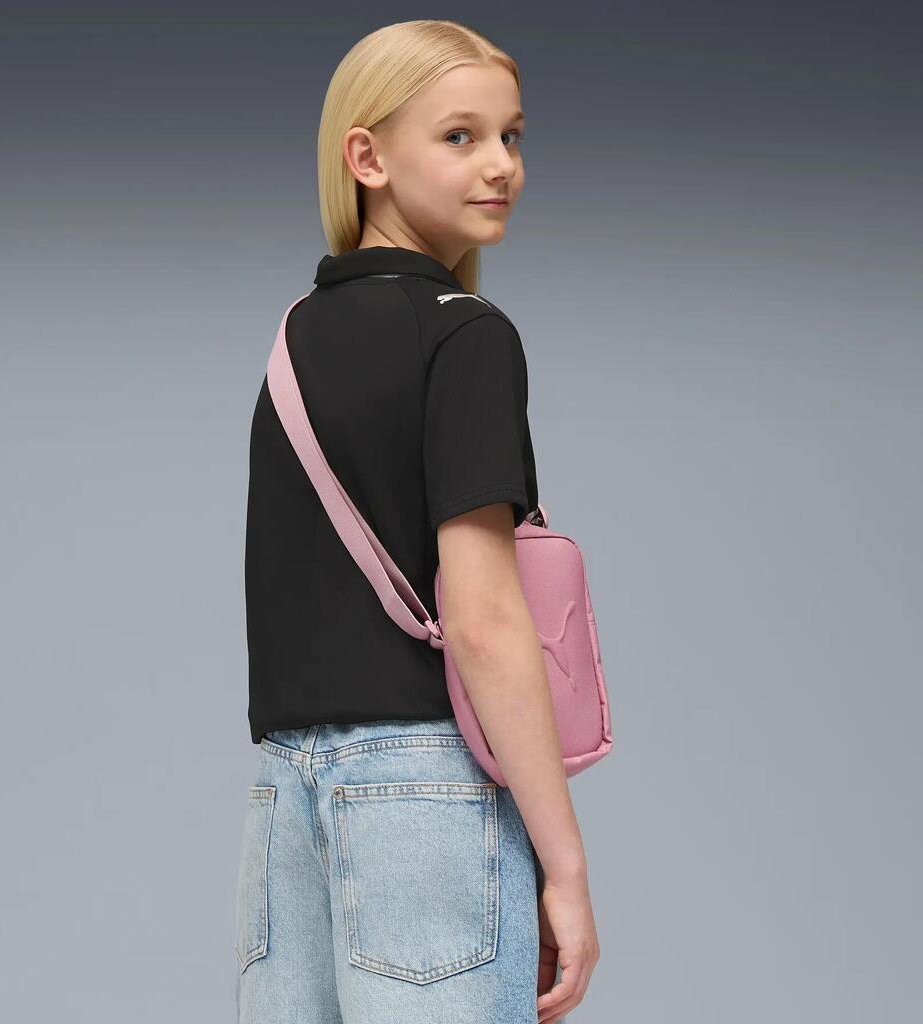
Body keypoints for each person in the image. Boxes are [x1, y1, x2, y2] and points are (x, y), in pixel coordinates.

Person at [236, 19, 600, 1024]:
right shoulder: (466, 335)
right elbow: (482, 621)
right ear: (367, 157)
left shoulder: (294, 338)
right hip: (424, 796)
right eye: (460, 136)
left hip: (285, 796)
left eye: (511, 136)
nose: (500, 164)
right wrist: (565, 867)